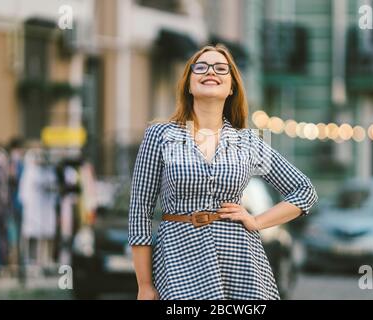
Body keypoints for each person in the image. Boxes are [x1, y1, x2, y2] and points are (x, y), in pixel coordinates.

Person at [128, 44, 318, 300]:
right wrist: (144, 285)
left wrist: (257, 221)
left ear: (231, 88)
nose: (210, 72)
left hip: (240, 260)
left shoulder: (248, 141)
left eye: (221, 68)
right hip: (178, 258)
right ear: (188, 83)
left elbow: (304, 191)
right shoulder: (161, 135)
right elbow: (140, 210)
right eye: (201, 67)